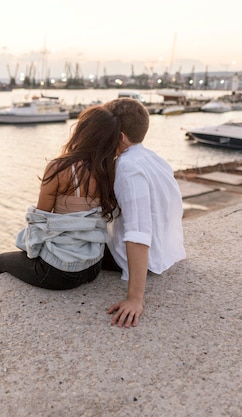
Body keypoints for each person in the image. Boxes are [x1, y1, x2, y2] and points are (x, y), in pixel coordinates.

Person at [0, 105, 122, 290]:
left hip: (59, 271)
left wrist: (31, 252)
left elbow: (40, 220)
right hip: (94, 264)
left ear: (81, 131)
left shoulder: (60, 168)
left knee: (2, 260)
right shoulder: (110, 169)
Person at [101, 98, 186, 328]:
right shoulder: (154, 158)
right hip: (167, 249)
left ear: (119, 137)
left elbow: (138, 233)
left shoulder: (128, 167)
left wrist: (135, 299)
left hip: (146, 259)